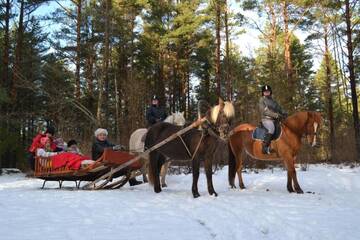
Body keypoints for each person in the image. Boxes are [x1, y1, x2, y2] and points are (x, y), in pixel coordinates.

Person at [259, 85, 287, 154]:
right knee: (271, 129)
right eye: (265, 92)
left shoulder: (273, 101)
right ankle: (265, 147)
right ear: (263, 93)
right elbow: (265, 111)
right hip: (266, 119)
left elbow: (279, 108)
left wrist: (284, 113)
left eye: (268, 91)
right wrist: (276, 115)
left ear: (270, 92)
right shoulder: (262, 100)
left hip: (275, 120)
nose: (266, 93)